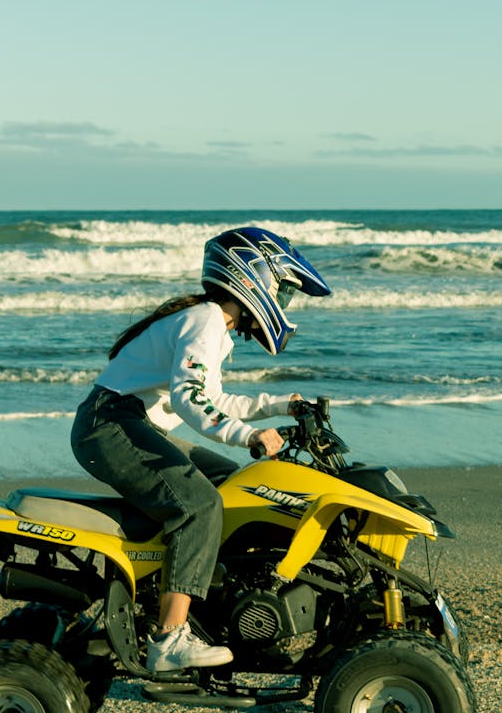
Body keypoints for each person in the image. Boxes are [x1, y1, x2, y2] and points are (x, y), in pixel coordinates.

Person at [70, 227, 331, 675]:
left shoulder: (211, 324)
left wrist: (278, 406)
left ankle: (213, 618)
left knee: (235, 484)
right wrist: (248, 435)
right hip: (110, 425)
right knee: (200, 506)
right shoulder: (205, 319)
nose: (283, 305)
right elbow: (193, 399)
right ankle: (169, 638)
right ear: (253, 278)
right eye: (282, 292)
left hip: (131, 423)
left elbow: (214, 400)